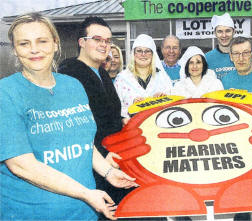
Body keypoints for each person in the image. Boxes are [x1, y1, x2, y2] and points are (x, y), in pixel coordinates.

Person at [0, 13, 137, 221]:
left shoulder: (72, 85)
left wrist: (108, 172)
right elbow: (20, 164)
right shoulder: (6, 93)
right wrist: (85, 193)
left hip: (85, 212)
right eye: (24, 43)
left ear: (56, 44)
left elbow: (83, 143)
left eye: (42, 41)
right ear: (16, 50)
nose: (34, 49)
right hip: (30, 213)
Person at [57, 16, 130, 219]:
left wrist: (122, 121)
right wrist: (102, 157)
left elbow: (106, 115)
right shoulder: (69, 75)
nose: (104, 45)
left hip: (112, 160)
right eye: (97, 39)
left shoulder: (102, 73)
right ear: (82, 42)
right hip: (92, 167)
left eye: (107, 41)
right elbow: (72, 128)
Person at [114, 34, 172, 123]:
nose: (143, 54)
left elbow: (173, 105)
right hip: (131, 129)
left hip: (158, 126)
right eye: (139, 51)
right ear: (133, 53)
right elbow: (115, 108)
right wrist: (132, 104)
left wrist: (163, 99)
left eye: (147, 51)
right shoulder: (122, 78)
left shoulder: (163, 78)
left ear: (153, 54)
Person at [205, 12, 235, 80]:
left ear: (234, 32)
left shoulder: (243, 55)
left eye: (228, 31)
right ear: (215, 33)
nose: (224, 35)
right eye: (220, 31)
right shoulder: (206, 58)